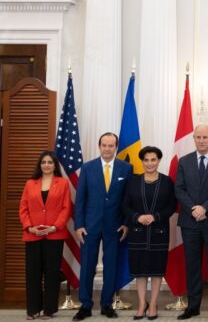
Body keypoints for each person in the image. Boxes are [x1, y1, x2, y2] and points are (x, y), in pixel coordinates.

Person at [73, 132, 133, 320]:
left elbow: (128, 199)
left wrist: (126, 223)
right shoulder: (87, 168)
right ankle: (85, 305)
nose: (107, 149)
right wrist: (79, 225)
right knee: (87, 266)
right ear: (99, 146)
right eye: (104, 145)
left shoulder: (126, 168)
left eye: (111, 145)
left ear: (116, 147)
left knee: (111, 265)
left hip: (115, 226)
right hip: (89, 226)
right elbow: (80, 199)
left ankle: (107, 304)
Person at [175, 125, 208, 320]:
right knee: (192, 266)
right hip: (190, 222)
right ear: (194, 138)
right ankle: (193, 307)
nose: (201, 140)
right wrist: (194, 209)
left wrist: (205, 208)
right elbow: (179, 189)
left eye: (205, 137)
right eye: (198, 137)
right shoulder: (184, 161)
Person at [122, 146, 176, 320]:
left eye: (153, 160)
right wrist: (137, 217)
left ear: (159, 161)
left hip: (159, 231)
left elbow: (172, 206)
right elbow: (125, 205)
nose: (150, 163)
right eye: (146, 160)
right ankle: (141, 304)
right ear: (142, 161)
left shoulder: (167, 182)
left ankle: (152, 304)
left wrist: (156, 216)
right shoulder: (133, 181)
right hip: (137, 232)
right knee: (140, 271)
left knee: (156, 270)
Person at [19, 151, 72, 320]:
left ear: (55, 165)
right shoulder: (30, 184)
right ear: (40, 165)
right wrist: (30, 228)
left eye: (50, 162)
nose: (47, 165)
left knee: (51, 273)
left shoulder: (63, 183)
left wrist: (54, 227)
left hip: (54, 235)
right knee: (33, 273)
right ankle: (33, 310)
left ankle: (49, 310)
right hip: (33, 235)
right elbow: (23, 208)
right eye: (44, 162)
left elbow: (66, 208)